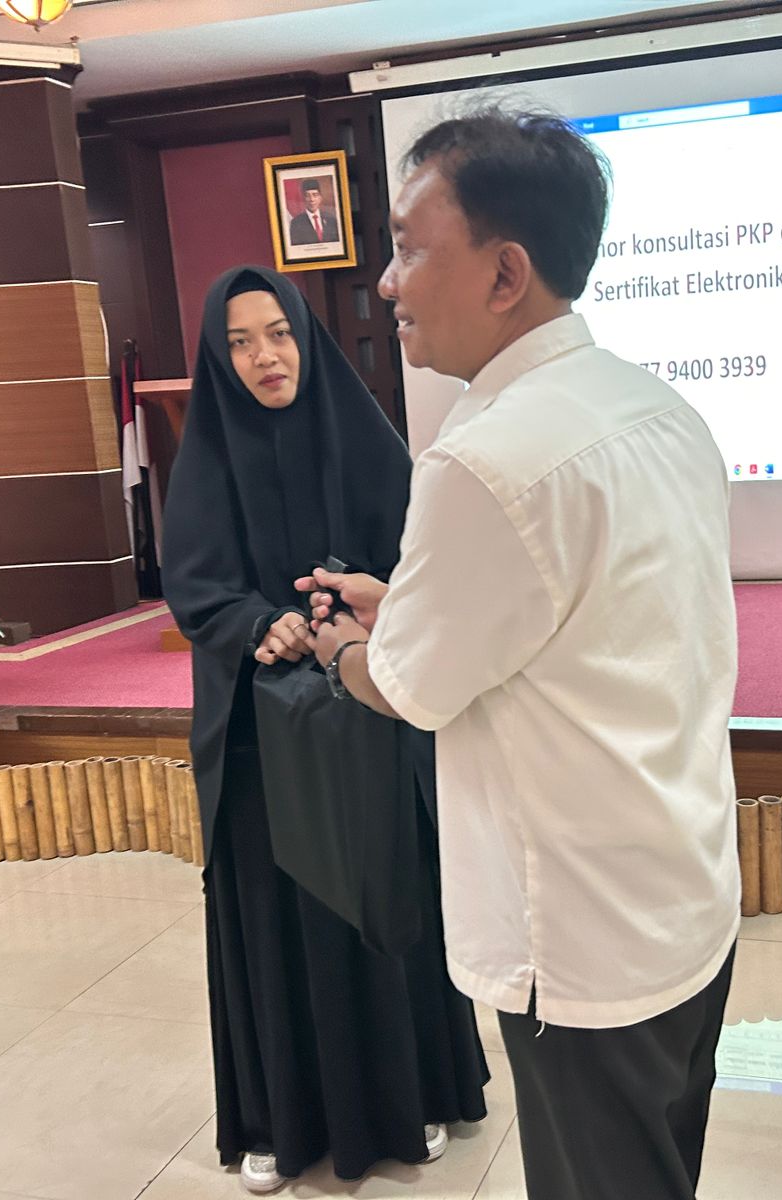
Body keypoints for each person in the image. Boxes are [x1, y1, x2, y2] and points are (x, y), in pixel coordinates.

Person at [302, 107, 741, 1200]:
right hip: (683, 889)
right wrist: (415, 604)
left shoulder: (485, 458)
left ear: (506, 273)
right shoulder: (656, 405)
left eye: (408, 247)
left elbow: (408, 688)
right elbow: (580, 620)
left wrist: (344, 645)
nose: (387, 283)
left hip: (578, 930)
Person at [161, 264, 488, 1194]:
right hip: (259, 735)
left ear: (305, 337)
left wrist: (353, 605)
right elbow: (196, 585)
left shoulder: (366, 441)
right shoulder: (208, 458)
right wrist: (257, 623)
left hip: (367, 716)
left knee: (377, 894)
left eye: (278, 334)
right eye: (239, 343)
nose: (265, 356)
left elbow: (420, 561)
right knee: (277, 914)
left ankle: (411, 1096)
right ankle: (280, 1119)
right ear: (220, 361)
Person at [289, 177, 340, 244]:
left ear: (320, 198)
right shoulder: (296, 223)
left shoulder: (331, 219)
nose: (312, 199)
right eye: (308, 196)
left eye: (315, 195)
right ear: (303, 199)